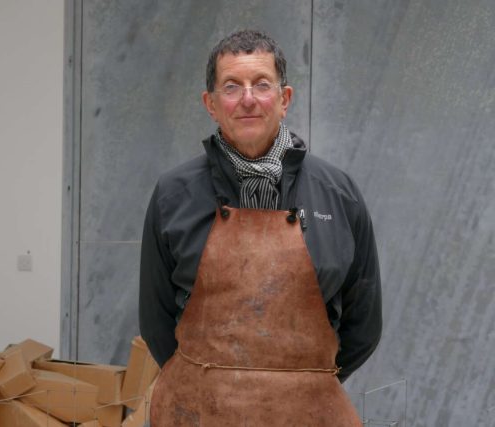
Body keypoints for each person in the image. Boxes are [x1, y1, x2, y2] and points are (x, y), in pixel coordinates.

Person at [139, 29, 381, 425]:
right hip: (198, 413)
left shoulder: (339, 194)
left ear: (284, 100)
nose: (248, 99)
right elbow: (156, 319)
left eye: (261, 85)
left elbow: (364, 324)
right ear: (211, 104)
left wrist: (301, 384)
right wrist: (210, 385)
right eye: (231, 87)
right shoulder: (172, 195)